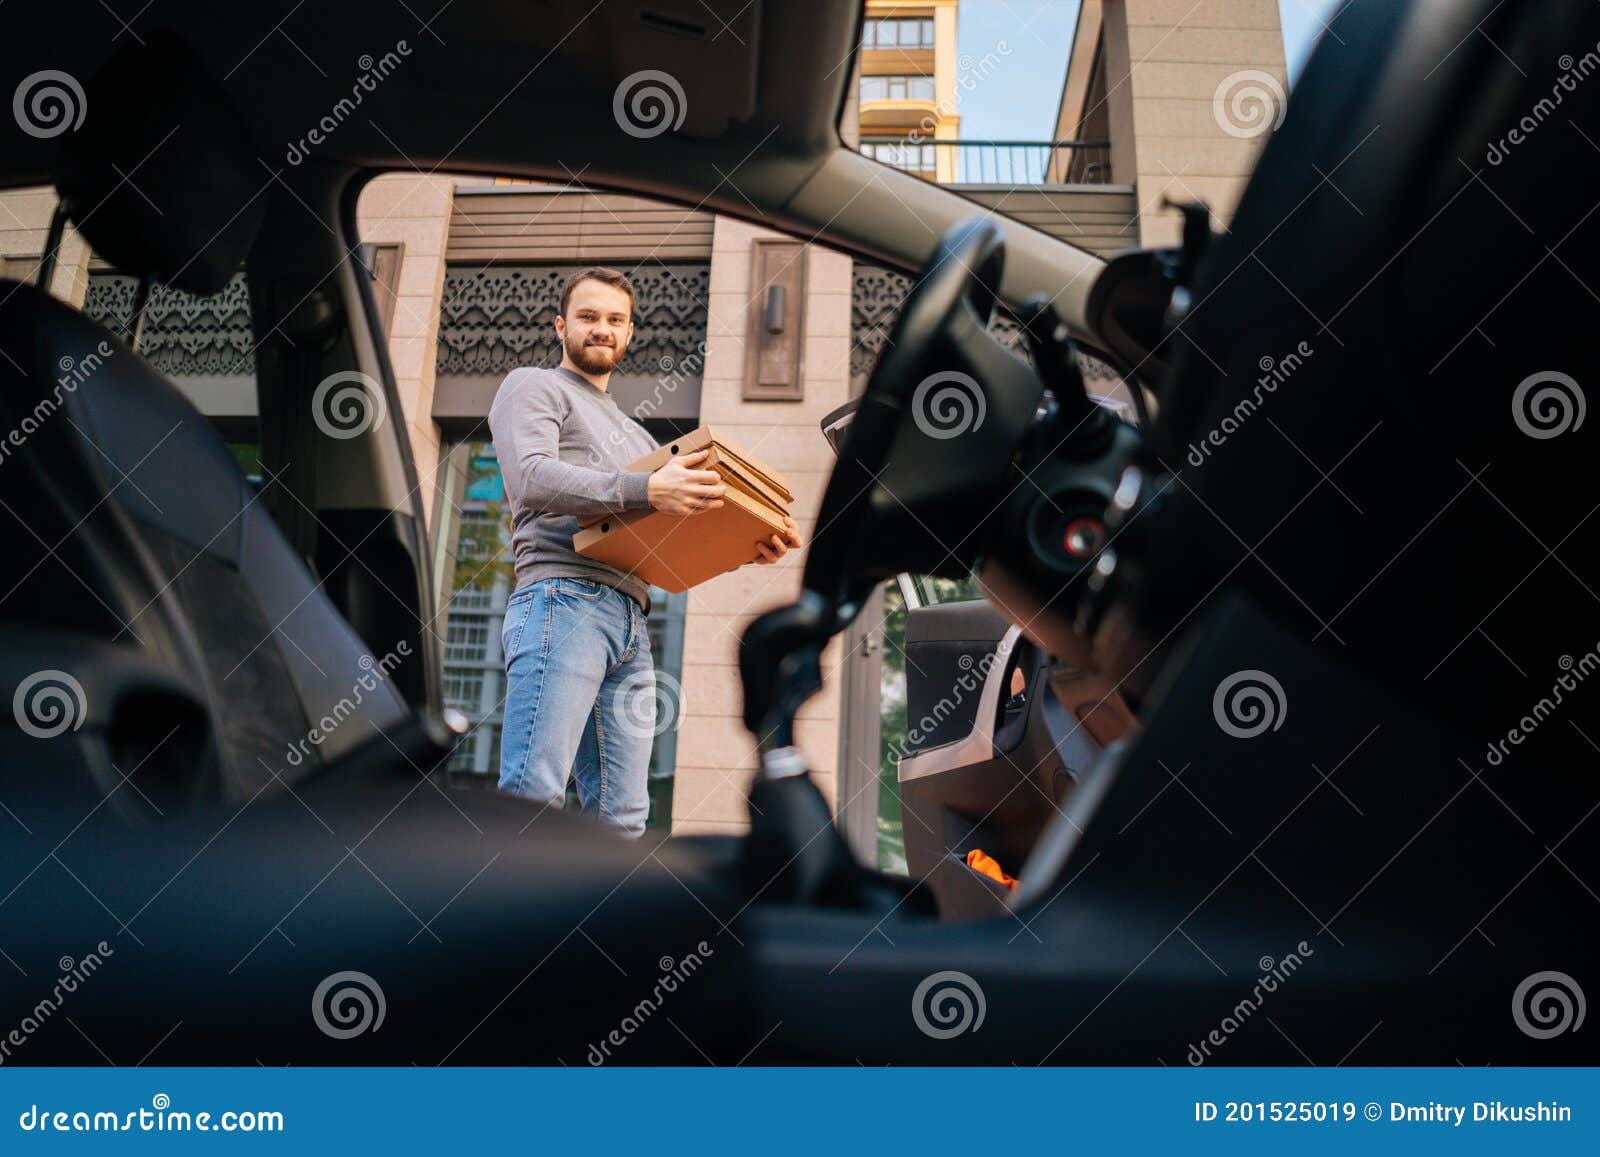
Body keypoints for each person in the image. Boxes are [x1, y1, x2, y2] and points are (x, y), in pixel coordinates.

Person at [488, 267, 803, 836]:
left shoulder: (639, 441)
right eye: (588, 317)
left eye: (615, 320)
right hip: (562, 600)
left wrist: (741, 545)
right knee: (533, 795)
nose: (601, 329)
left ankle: (595, 928)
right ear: (562, 326)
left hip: (631, 621)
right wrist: (646, 488)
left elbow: (664, 547)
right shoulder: (534, 385)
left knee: (624, 818)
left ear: (629, 333)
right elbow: (530, 477)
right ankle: (499, 926)